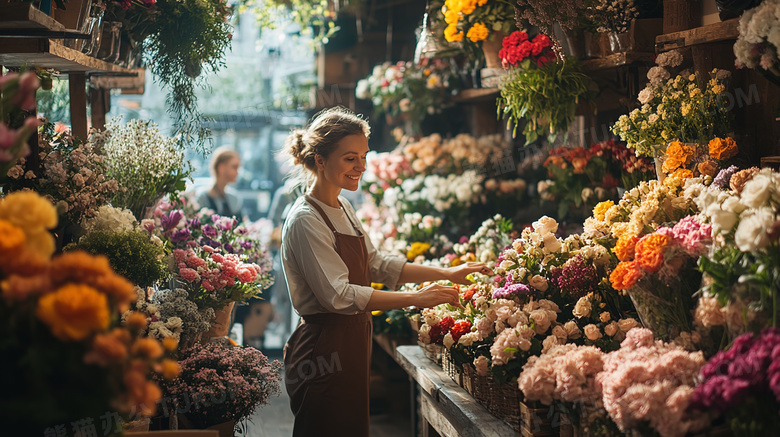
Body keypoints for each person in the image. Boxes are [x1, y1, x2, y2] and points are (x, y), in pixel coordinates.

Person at [280, 107, 492, 437]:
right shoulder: (307, 220)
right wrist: (415, 299)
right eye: (350, 158)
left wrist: (448, 273)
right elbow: (339, 295)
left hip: (352, 339)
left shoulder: (343, 207)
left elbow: (377, 264)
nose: (360, 167)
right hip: (324, 346)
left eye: (363, 156)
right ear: (320, 159)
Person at [197, 146, 243, 217]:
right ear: (221, 167)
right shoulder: (203, 197)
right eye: (234, 167)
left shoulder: (234, 198)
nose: (237, 172)